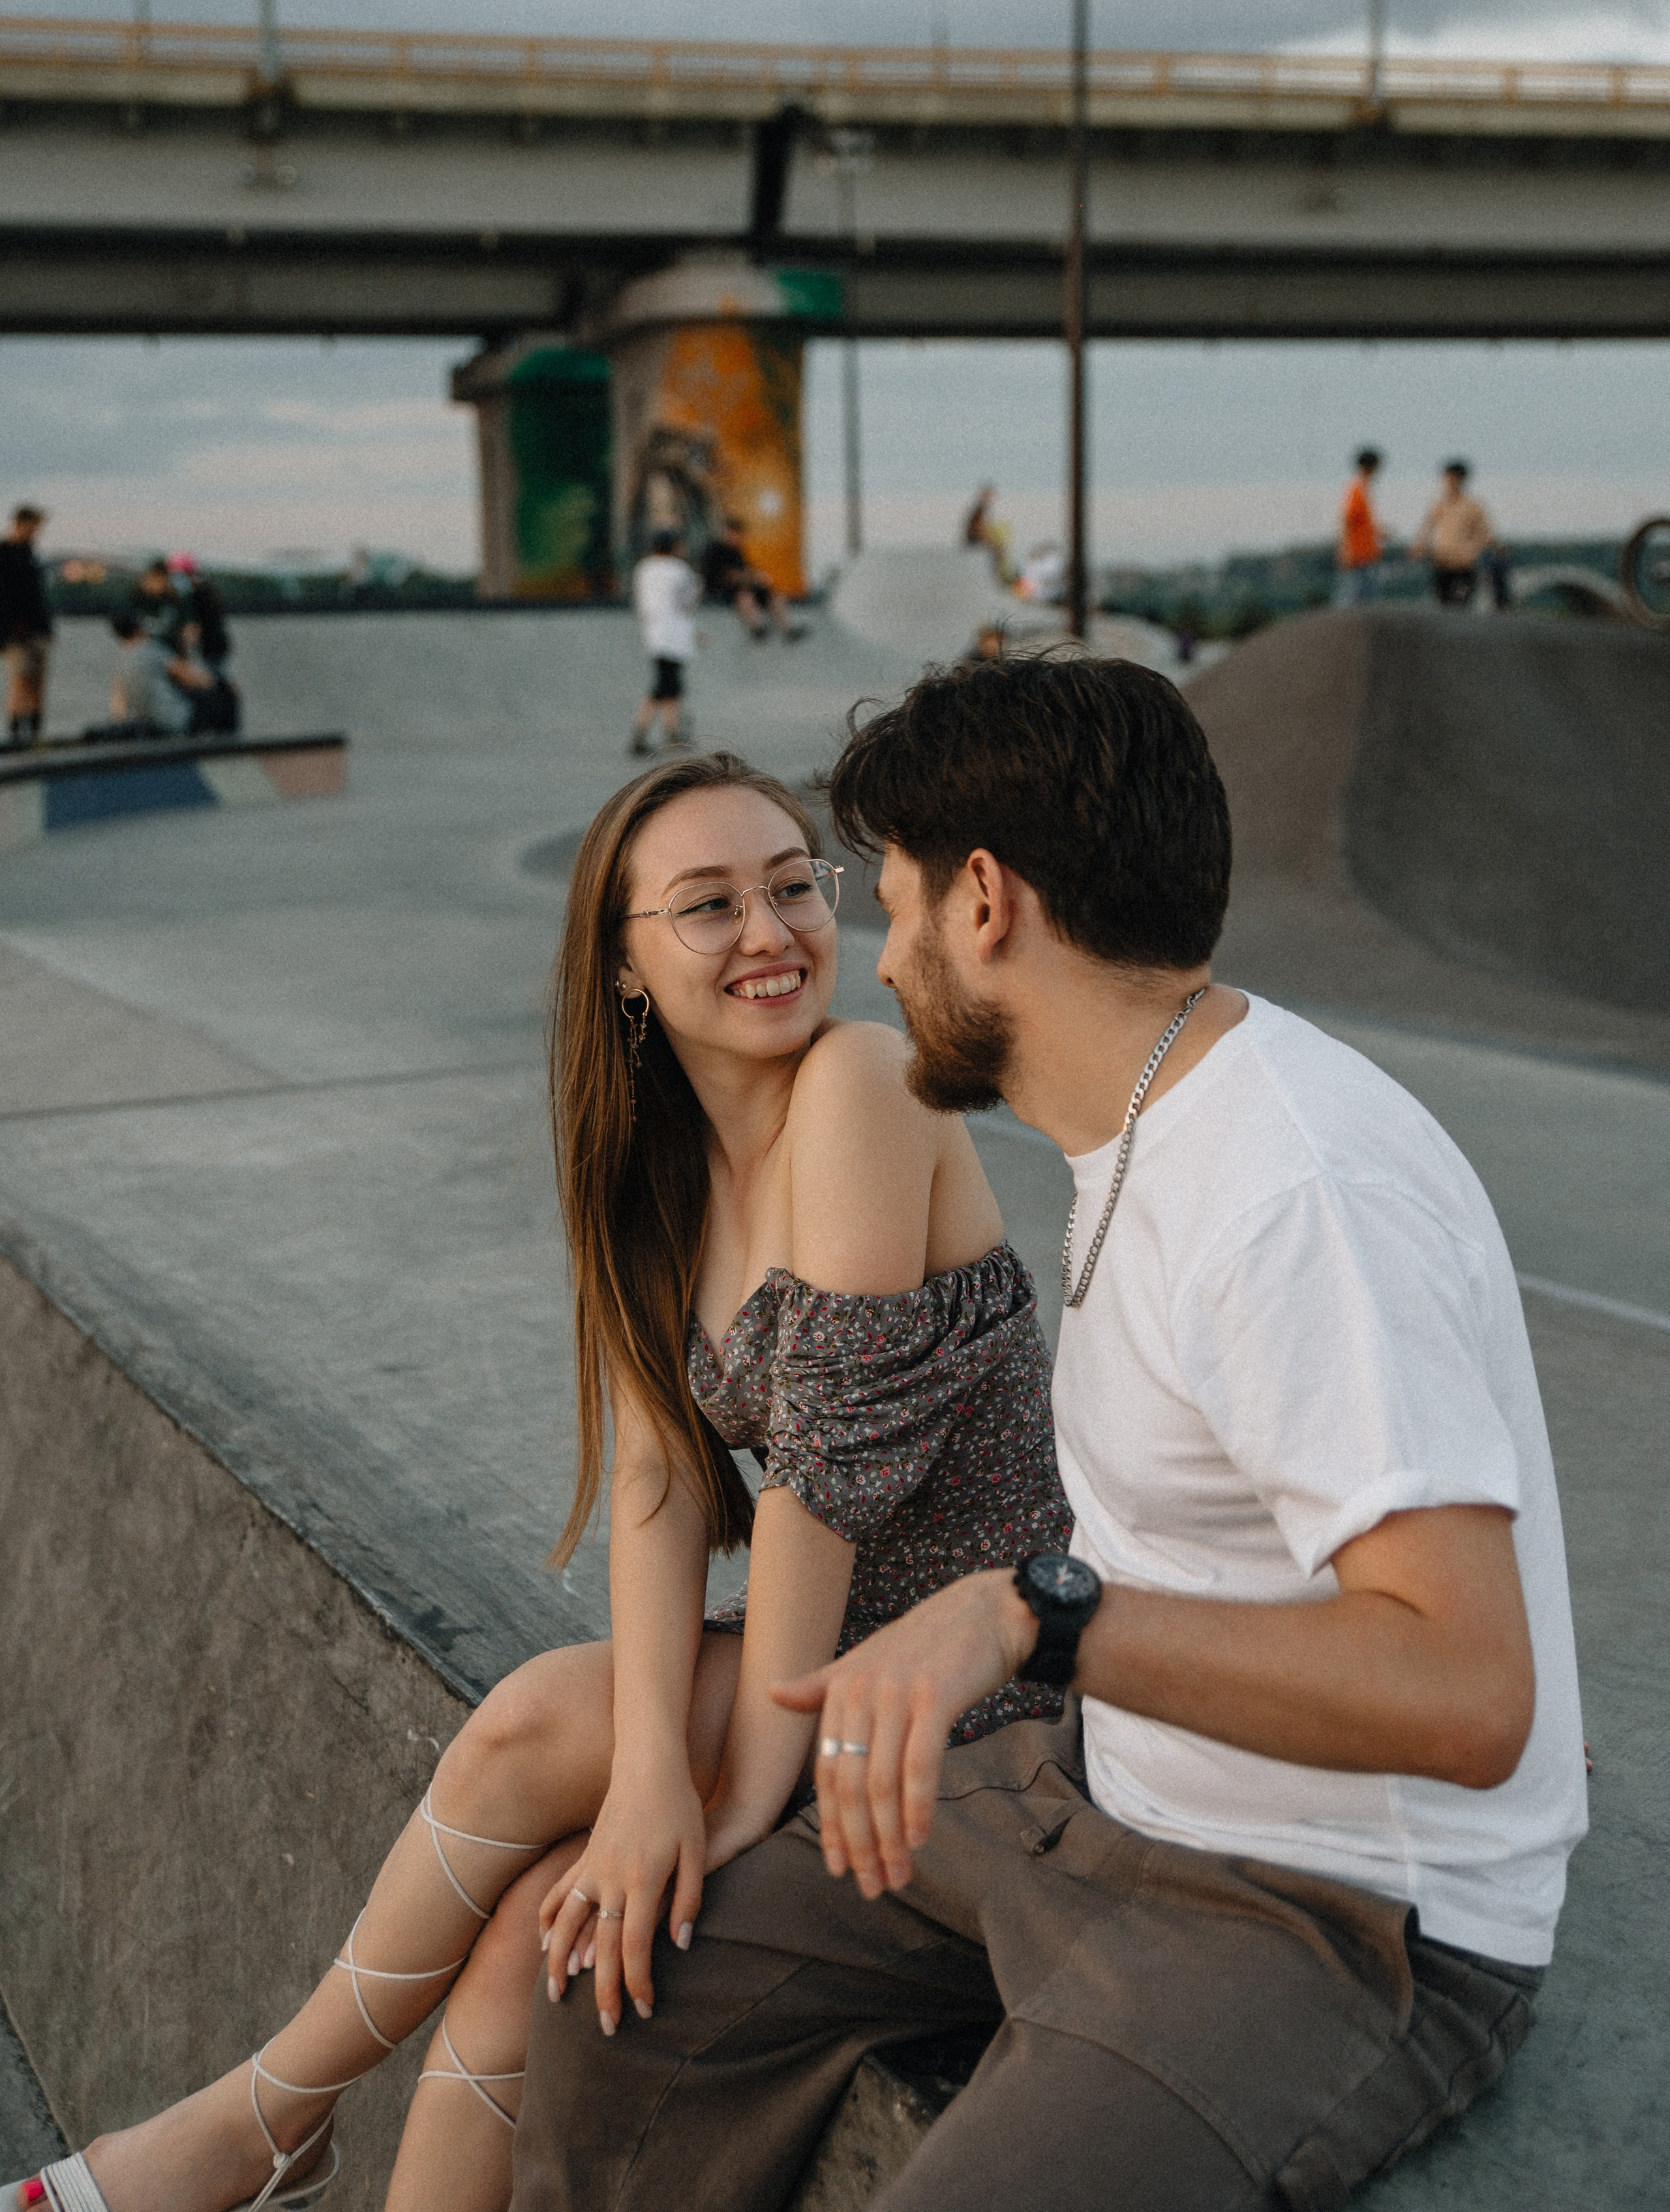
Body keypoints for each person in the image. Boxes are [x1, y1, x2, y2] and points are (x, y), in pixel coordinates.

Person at [510, 654, 1587, 2212]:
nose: (877, 964)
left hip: (1330, 1910)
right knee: (614, 1998)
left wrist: (1033, 1613)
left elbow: (1469, 1689)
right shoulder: (1138, 1125)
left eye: (890, 905)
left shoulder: (1291, 1192)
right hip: (1091, 1793)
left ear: (984, 902)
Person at [10, 749, 1068, 2212]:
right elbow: (659, 1485)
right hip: (827, 1659)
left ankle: (259, 2122)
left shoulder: (860, 1082)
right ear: (624, 964)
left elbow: (821, 1488)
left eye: (791, 886)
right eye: (708, 904)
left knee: (533, 1733)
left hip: (979, 1688)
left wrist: (726, 1808)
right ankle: (265, 2129)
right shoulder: (659, 1163)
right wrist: (646, 1779)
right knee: (532, 1936)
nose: (770, 933)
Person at [97, 610, 239, 740]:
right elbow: (194, 679)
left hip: (148, 721)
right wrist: (223, 684)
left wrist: (120, 727)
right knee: (225, 695)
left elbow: (118, 707)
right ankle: (230, 744)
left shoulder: (120, 659)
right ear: (139, 626)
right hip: (175, 720)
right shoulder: (152, 649)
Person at [629, 532, 702, 754]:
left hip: (654, 634)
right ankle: (641, 735)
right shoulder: (679, 569)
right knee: (663, 687)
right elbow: (689, 601)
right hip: (675, 636)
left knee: (671, 685)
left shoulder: (644, 568)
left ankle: (672, 732)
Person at [701, 519, 806, 644]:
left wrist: (757, 577)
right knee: (745, 598)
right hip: (722, 590)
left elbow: (745, 568)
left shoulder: (736, 551)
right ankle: (757, 629)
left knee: (774, 596)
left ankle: (789, 629)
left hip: (743, 586)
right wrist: (752, 578)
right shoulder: (714, 551)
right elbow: (728, 577)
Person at [1, 503, 53, 751]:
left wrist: (46, 628)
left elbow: (37, 597)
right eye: (34, 527)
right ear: (22, 524)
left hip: (37, 631)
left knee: (38, 682)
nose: (37, 532)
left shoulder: (30, 553)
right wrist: (11, 630)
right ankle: (15, 736)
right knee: (21, 681)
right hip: (15, 634)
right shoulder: (5, 553)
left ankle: (34, 734)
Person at [1414, 460, 1495, 608]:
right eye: (1447, 478)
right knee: (1442, 605)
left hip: (1463, 565)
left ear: (1461, 479)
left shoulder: (1472, 505)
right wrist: (1420, 545)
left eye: (1453, 478)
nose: (1449, 482)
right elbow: (1427, 527)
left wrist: (1472, 551)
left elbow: (1487, 534)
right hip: (1442, 562)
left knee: (1460, 606)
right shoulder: (1440, 504)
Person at [170, 552, 234, 679]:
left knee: (214, 678)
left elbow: (194, 628)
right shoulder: (206, 590)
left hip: (211, 646)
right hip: (215, 644)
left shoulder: (197, 594)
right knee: (217, 676)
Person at [1335, 446, 1385, 606]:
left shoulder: (1363, 489)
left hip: (1367, 553)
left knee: (1365, 598)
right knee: (1354, 599)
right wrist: (1346, 550)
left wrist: (1378, 533)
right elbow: (1347, 520)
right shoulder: (1357, 490)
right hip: (1359, 556)